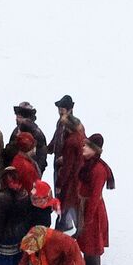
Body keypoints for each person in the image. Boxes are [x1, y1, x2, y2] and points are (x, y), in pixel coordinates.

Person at [46, 96, 85, 232]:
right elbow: (56, 137)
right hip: (59, 166)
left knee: (67, 196)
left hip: (68, 169)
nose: (60, 112)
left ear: (70, 110)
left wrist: (65, 158)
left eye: (62, 110)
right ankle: (66, 223)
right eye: (59, 109)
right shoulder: (61, 122)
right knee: (62, 197)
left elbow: (80, 148)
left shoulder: (76, 129)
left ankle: (67, 224)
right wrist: (48, 148)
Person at [75, 134, 112, 265]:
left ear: (95, 150)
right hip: (84, 205)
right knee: (85, 237)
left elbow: (95, 195)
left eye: (87, 146)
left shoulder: (98, 170)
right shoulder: (87, 163)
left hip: (93, 209)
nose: (83, 147)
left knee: (93, 238)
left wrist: (88, 216)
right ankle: (88, 264)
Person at [9, 104, 48, 175]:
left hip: (31, 171)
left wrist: (38, 169)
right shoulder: (16, 131)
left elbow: (42, 155)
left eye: (19, 117)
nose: (16, 119)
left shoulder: (36, 134)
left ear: (26, 119)